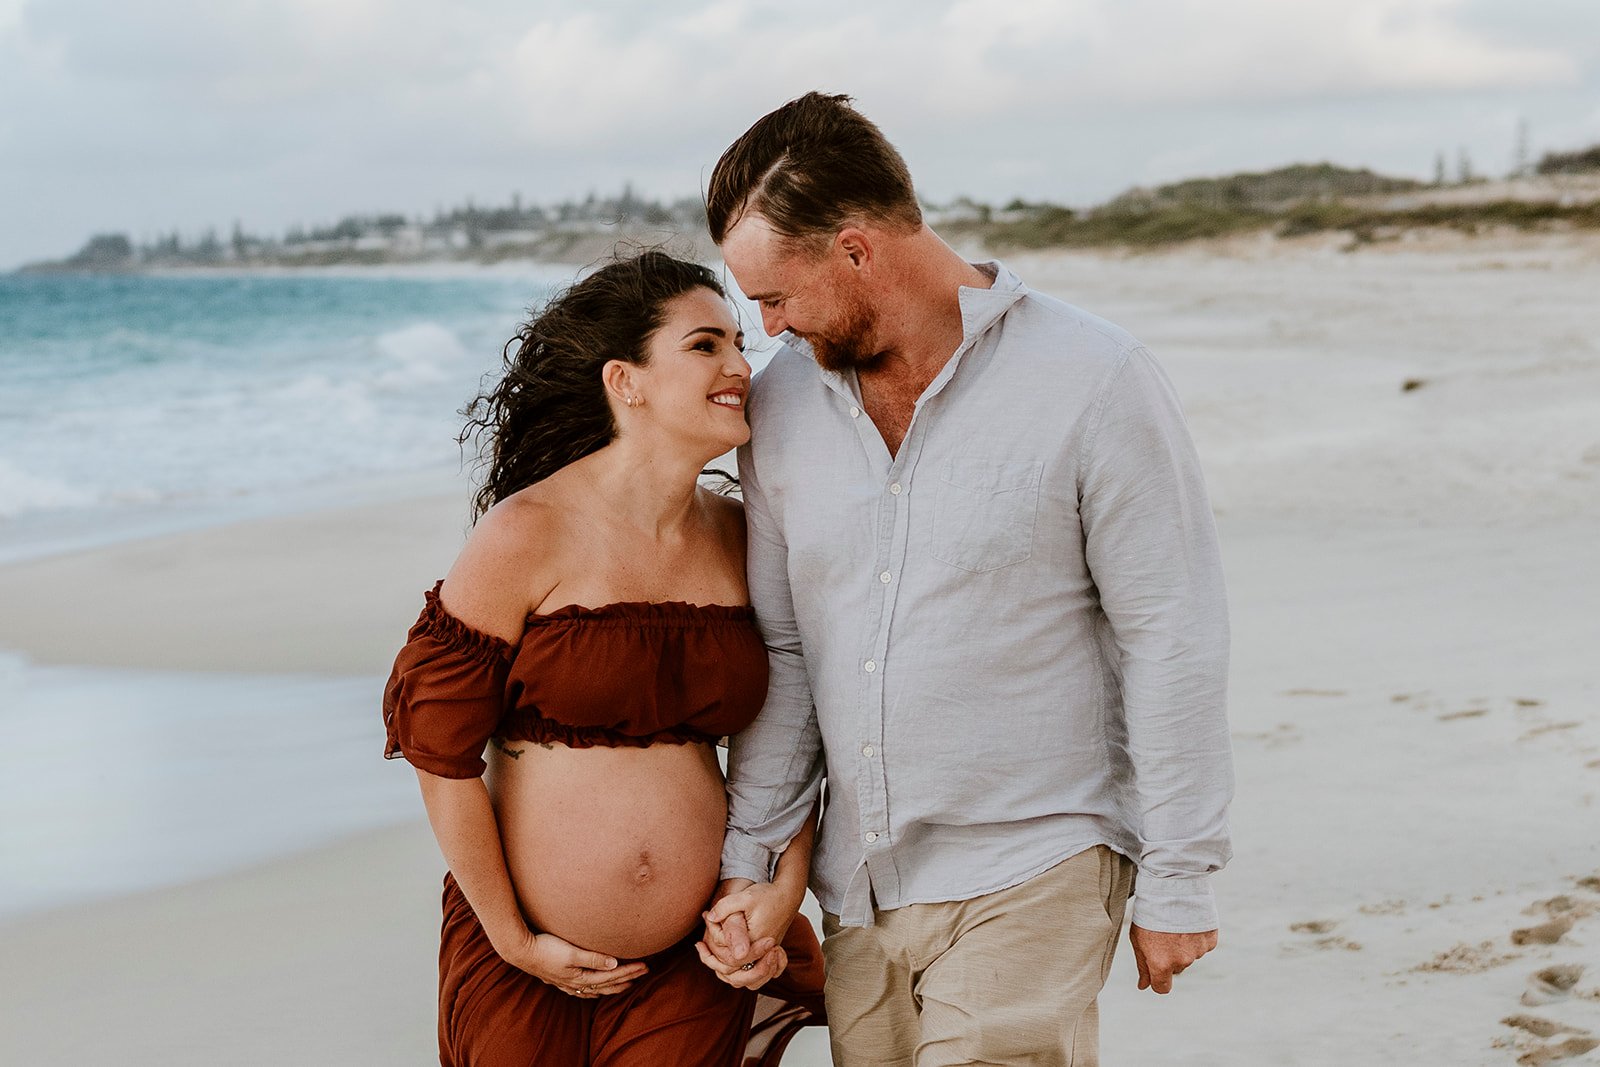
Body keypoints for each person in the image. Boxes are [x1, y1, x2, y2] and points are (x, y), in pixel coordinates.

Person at [697, 93, 1235, 1066]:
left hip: (1039, 859)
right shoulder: (778, 410)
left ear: (856, 251)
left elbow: (1171, 631)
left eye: (774, 296)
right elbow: (785, 651)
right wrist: (748, 863)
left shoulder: (1094, 377)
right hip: (860, 888)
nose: (765, 329)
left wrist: (1181, 875)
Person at [381, 250, 825, 1066]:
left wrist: (775, 889)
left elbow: (800, 724)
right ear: (627, 381)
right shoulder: (527, 532)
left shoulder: (741, 537)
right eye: (705, 346)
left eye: (737, 343)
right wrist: (512, 938)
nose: (738, 365)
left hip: (696, 958)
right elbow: (440, 755)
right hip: (524, 953)